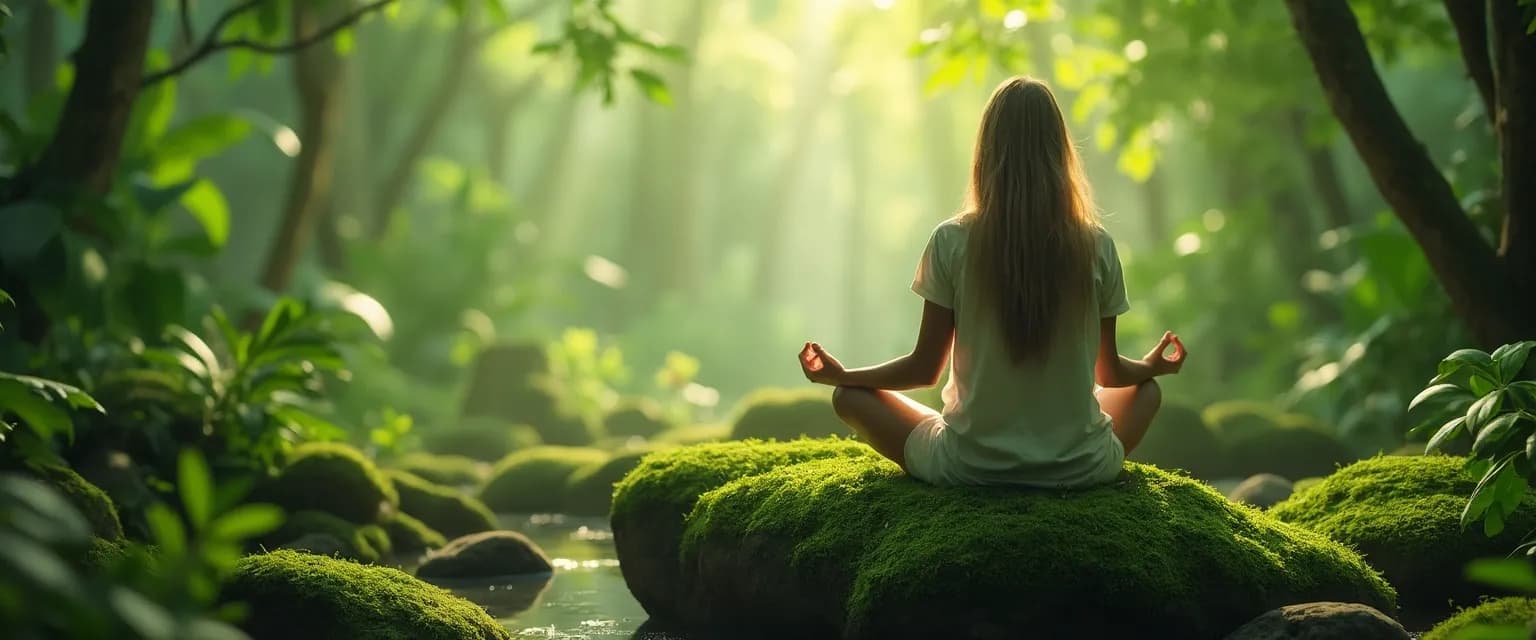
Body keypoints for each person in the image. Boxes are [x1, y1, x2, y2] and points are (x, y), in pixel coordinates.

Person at [797, 76, 1186, 489]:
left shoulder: (952, 241)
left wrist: (843, 377)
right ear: (1060, 152)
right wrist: (1152, 366)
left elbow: (925, 368)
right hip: (1081, 468)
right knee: (1148, 392)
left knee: (849, 399)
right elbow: (1108, 372)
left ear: (987, 150)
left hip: (969, 467)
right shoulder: (1096, 246)